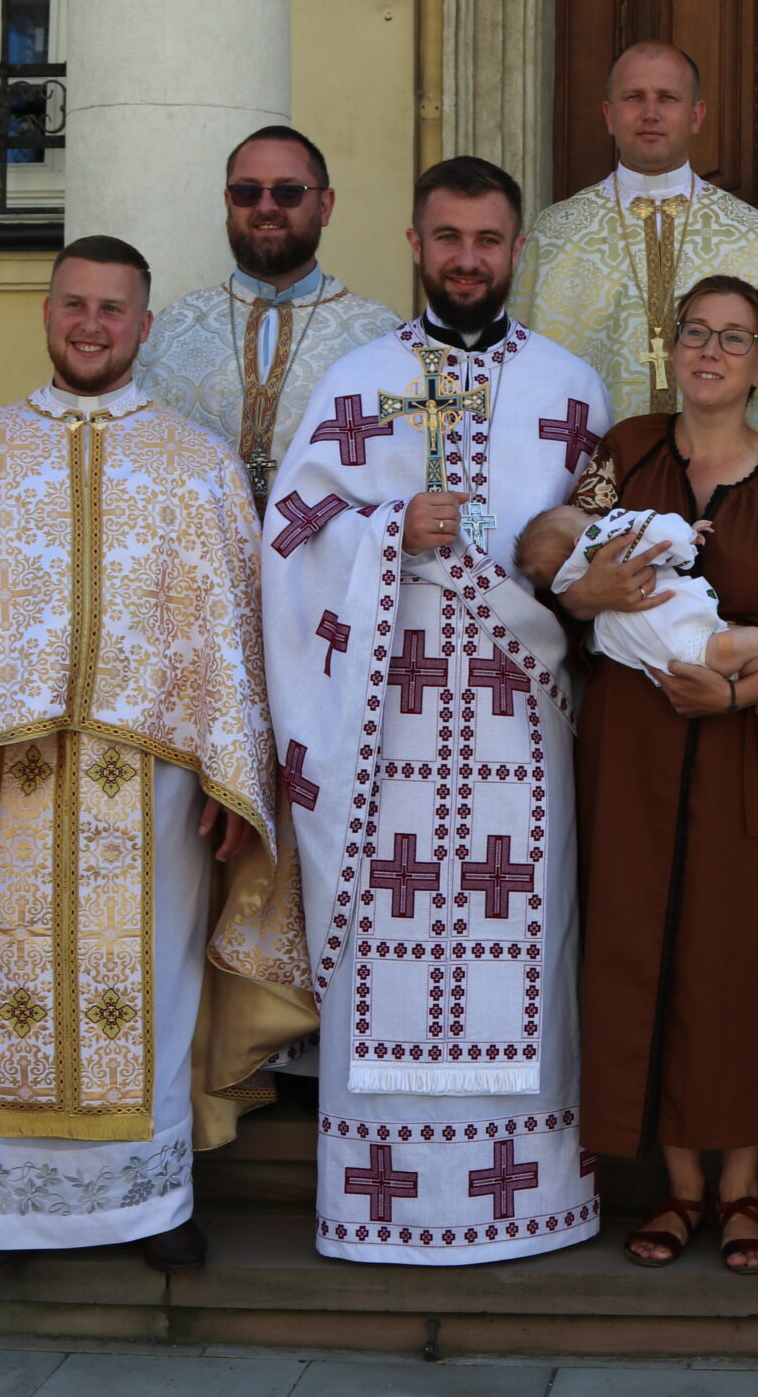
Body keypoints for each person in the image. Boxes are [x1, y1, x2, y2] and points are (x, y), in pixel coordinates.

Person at [0, 236, 315, 1275]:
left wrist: (236, 773)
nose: (92, 325)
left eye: (115, 310)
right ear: (45, 311)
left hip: (154, 775)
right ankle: (5, 1216)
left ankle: (150, 1205)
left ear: (145, 327)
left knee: (151, 981)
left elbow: (238, 639)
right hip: (0, 777)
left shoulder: (197, 463)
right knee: (0, 982)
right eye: (75, 304)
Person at [260, 157, 611, 1266]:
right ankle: (389, 1202)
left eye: (489, 239)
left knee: (525, 930)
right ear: (414, 243)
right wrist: (381, 531)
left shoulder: (571, 388)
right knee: (393, 939)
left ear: (517, 251)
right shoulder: (358, 381)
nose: (468, 258)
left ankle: (526, 1192)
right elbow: (289, 533)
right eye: (448, 237)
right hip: (385, 722)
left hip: (523, 720)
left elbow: (598, 553)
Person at [554, 274, 758, 1277]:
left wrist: (739, 695)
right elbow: (561, 560)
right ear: (672, 349)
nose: (711, 352)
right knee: (643, 944)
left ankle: (741, 1192)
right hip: (631, 748)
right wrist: (580, 587)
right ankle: (677, 1193)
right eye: (696, 332)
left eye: (734, 340)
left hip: (746, 754)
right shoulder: (623, 454)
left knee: (745, 966)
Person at [515, 41, 758, 478]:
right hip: (592, 481)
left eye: (668, 98)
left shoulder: (751, 234)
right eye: (634, 98)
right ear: (609, 115)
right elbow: (520, 371)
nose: (650, 113)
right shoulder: (556, 234)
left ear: (696, 115)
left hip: (729, 484)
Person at [133, 124, 403, 512]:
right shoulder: (168, 333)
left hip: (324, 565)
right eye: (247, 192)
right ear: (228, 203)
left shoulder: (381, 337)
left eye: (288, 192)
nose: (266, 207)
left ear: (325, 206)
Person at [520, 505, 758, 680]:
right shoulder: (601, 540)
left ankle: (737, 678)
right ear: (581, 543)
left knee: (741, 644)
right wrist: (687, 534)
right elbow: (653, 531)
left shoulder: (578, 591)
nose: (597, 513)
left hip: (671, 655)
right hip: (690, 645)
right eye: (585, 515)